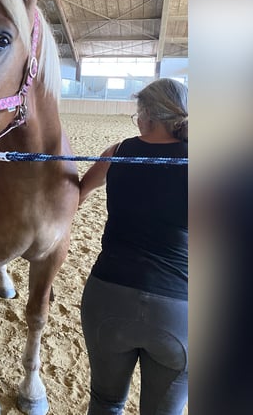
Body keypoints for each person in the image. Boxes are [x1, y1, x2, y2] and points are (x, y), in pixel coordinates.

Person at [78, 78, 188, 415]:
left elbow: (78, 196)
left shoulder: (117, 152)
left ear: (149, 115)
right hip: (178, 310)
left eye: (137, 112)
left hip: (107, 297)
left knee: (106, 403)